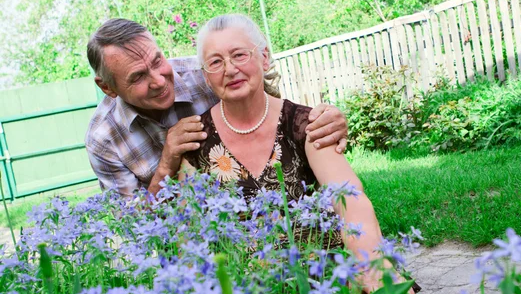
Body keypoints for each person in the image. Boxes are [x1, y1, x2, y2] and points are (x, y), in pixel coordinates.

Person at [178, 13, 399, 294]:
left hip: (326, 278)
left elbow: (349, 199)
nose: (230, 69)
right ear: (206, 77)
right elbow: (187, 233)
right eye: (216, 62)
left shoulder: (306, 124)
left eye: (239, 55)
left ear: (264, 57)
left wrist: (371, 270)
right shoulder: (196, 141)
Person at [84, 18, 348, 197]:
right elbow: (134, 226)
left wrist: (322, 120)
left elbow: (273, 113)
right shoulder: (103, 140)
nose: (159, 80)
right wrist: (166, 164)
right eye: (138, 77)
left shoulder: (208, 74)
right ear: (108, 88)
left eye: (157, 61)